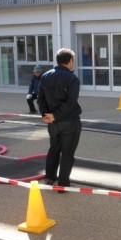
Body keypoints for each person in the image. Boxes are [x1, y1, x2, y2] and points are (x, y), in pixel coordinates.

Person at [38, 48, 82, 189]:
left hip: (53, 122)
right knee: (67, 153)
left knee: (54, 149)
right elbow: (71, 102)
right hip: (69, 121)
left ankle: (50, 178)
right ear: (70, 61)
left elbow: (40, 99)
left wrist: (47, 115)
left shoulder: (45, 76)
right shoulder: (72, 78)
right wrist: (55, 116)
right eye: (73, 60)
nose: (73, 63)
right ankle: (63, 183)